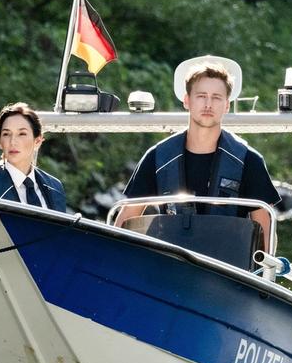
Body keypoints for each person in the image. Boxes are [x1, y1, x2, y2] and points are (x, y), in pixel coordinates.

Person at [115, 60, 280, 242]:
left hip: (228, 264)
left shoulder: (249, 160)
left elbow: (266, 229)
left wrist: (263, 270)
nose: (208, 104)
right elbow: (125, 219)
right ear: (187, 101)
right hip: (170, 263)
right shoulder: (158, 158)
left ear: (226, 105)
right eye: (201, 96)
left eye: (216, 97)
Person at [0, 102, 67, 212]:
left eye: (22, 134)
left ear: (37, 141)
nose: (13, 142)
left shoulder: (55, 188)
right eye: (6, 134)